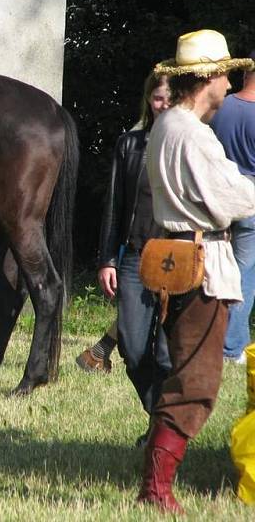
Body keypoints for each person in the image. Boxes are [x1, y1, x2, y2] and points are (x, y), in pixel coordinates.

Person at [138, 29, 255, 513]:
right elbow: (233, 201)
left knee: (183, 373)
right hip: (202, 265)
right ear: (205, 78)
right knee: (197, 381)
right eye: (224, 74)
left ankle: (152, 478)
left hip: (181, 258)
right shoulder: (191, 133)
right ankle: (156, 489)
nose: (229, 85)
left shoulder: (167, 126)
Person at [87, 72, 173, 445]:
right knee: (135, 350)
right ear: (148, 101)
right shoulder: (130, 145)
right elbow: (113, 207)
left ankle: (163, 435)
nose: (164, 105)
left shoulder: (194, 146)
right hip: (135, 260)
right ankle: (161, 419)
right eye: (158, 98)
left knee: (169, 357)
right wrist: (107, 259)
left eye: (170, 99)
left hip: (177, 261)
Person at [211, 50, 255, 364]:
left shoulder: (220, 107)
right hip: (251, 204)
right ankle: (231, 346)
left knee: (211, 269)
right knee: (245, 274)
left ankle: (204, 336)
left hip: (216, 197)